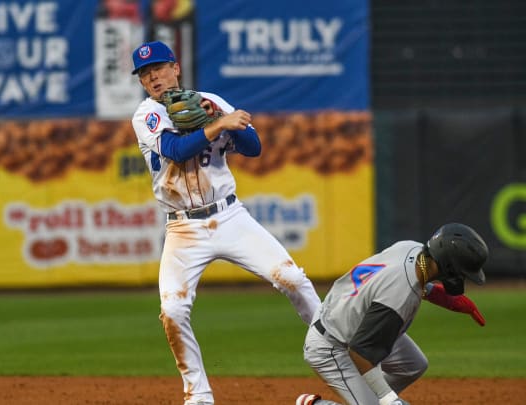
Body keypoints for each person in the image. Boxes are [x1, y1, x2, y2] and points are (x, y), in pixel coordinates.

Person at [129, 40, 322, 405]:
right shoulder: (146, 115)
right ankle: (198, 396)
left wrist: (224, 119)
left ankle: (336, 348)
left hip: (230, 216)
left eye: (158, 68)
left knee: (293, 279)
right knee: (172, 310)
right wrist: (217, 126)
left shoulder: (210, 101)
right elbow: (175, 150)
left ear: (175, 68)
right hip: (183, 229)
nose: (152, 77)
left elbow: (253, 147)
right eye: (144, 73)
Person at [296, 223, 489, 405]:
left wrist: (450, 300)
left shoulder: (413, 250)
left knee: (413, 364)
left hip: (353, 318)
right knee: (379, 399)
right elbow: (360, 352)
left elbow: (414, 284)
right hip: (332, 345)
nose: (462, 278)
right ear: (449, 267)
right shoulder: (400, 296)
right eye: (463, 272)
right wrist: (388, 398)